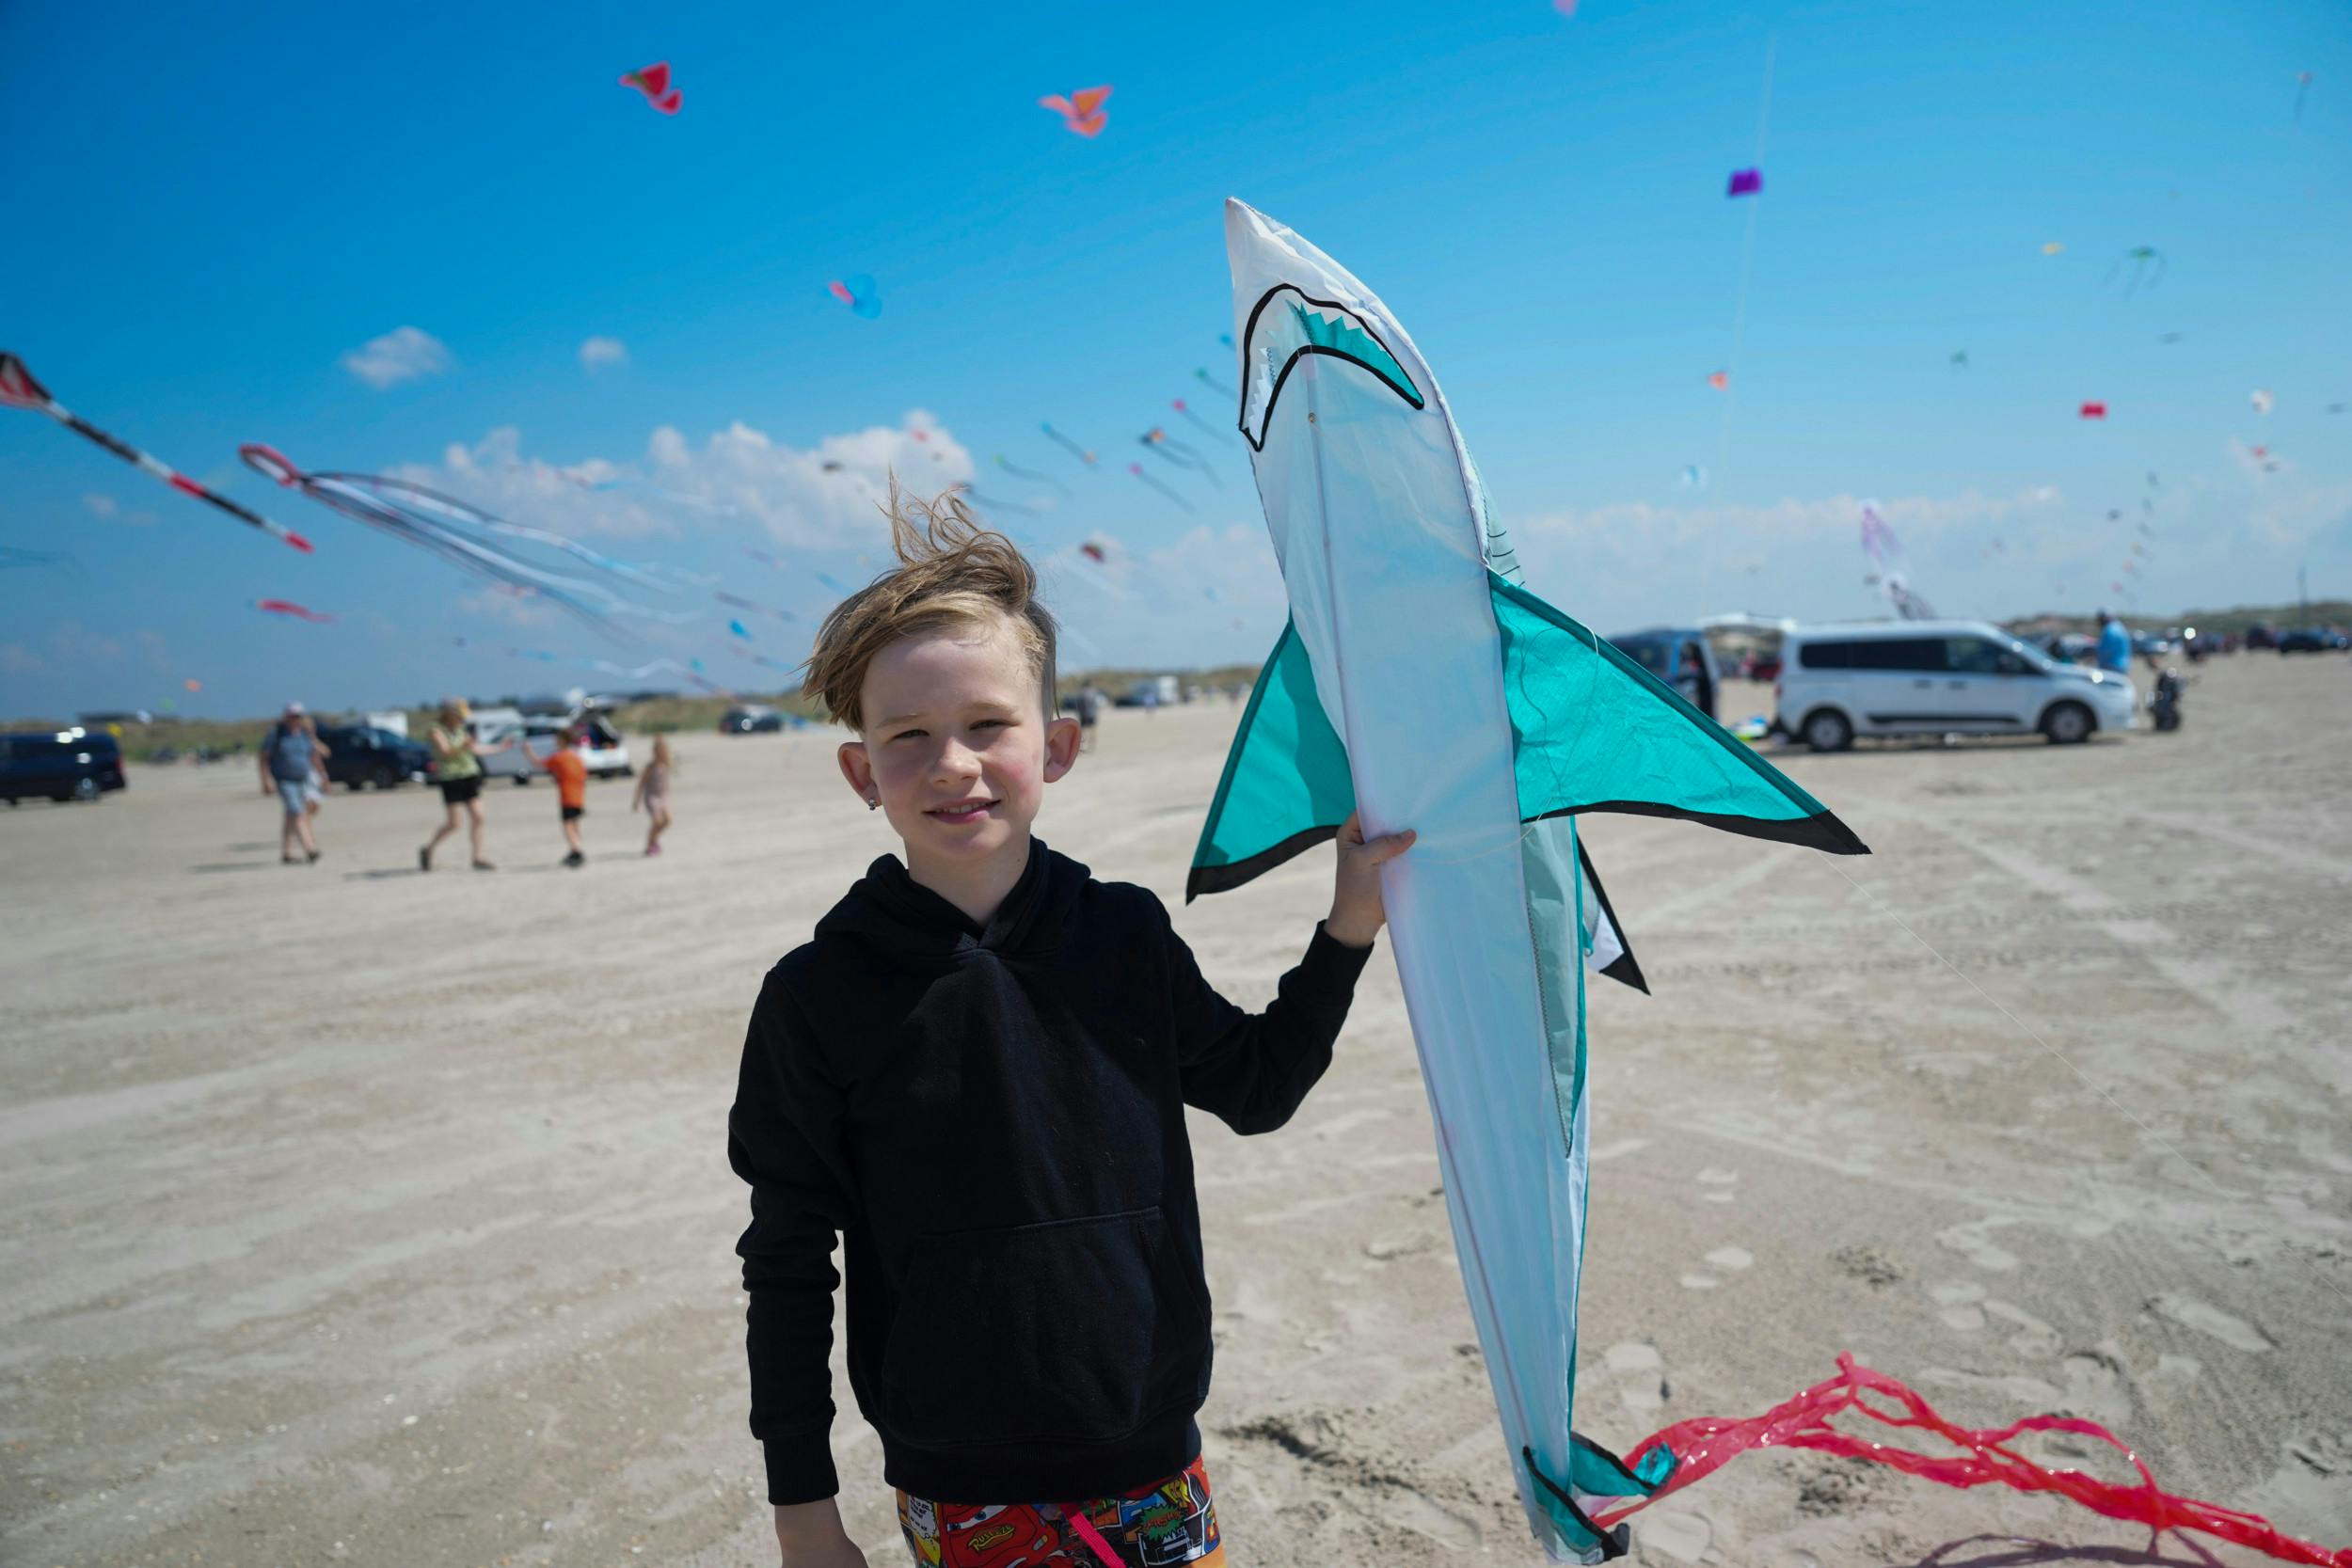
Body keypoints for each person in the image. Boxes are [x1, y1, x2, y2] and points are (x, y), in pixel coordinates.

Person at [727, 485, 1415, 1568]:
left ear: (1055, 745)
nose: (951, 762)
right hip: (957, 1485)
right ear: (863, 771)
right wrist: (802, 1509)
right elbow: (788, 1258)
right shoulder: (817, 994)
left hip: (1149, 1464)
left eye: (986, 725)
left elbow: (1255, 1086)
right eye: (908, 736)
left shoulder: (1123, 936)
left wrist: (1346, 925)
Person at [421, 698, 510, 872]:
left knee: (478, 817)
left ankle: (477, 857)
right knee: (454, 823)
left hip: (469, 774)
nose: (462, 719)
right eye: (459, 715)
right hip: (451, 778)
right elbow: (445, 752)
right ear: (449, 713)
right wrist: (462, 746)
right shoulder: (435, 729)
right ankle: (429, 849)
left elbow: (474, 748)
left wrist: (499, 748)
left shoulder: (461, 729)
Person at [257, 703, 328, 864]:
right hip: (285, 781)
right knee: (298, 813)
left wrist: (323, 776)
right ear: (286, 717)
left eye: (299, 717)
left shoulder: (303, 735)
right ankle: (310, 850)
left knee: (291, 816)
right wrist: (266, 781)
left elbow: (315, 756)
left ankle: (287, 853)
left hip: (302, 781)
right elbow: (263, 758)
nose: (296, 720)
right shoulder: (276, 735)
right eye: (293, 716)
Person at [531, 724, 590, 867]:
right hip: (579, 795)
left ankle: (577, 851)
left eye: (557, 739)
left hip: (567, 796)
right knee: (574, 824)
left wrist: (528, 751)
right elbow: (583, 776)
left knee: (568, 825)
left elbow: (539, 763)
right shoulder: (576, 757)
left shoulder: (560, 757)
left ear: (562, 740)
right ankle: (574, 849)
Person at [631, 734, 675, 857]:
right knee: (657, 821)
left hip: (663, 797)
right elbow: (641, 785)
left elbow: (665, 781)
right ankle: (650, 844)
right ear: (655, 752)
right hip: (652, 797)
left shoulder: (666, 764)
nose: (662, 753)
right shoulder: (650, 767)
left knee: (668, 820)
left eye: (664, 751)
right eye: (659, 751)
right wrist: (636, 801)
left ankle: (654, 839)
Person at [2096, 608, 2132, 677]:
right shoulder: (2120, 627)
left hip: (2112, 667)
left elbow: (2105, 651)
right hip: (2122, 666)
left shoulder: (2110, 630)